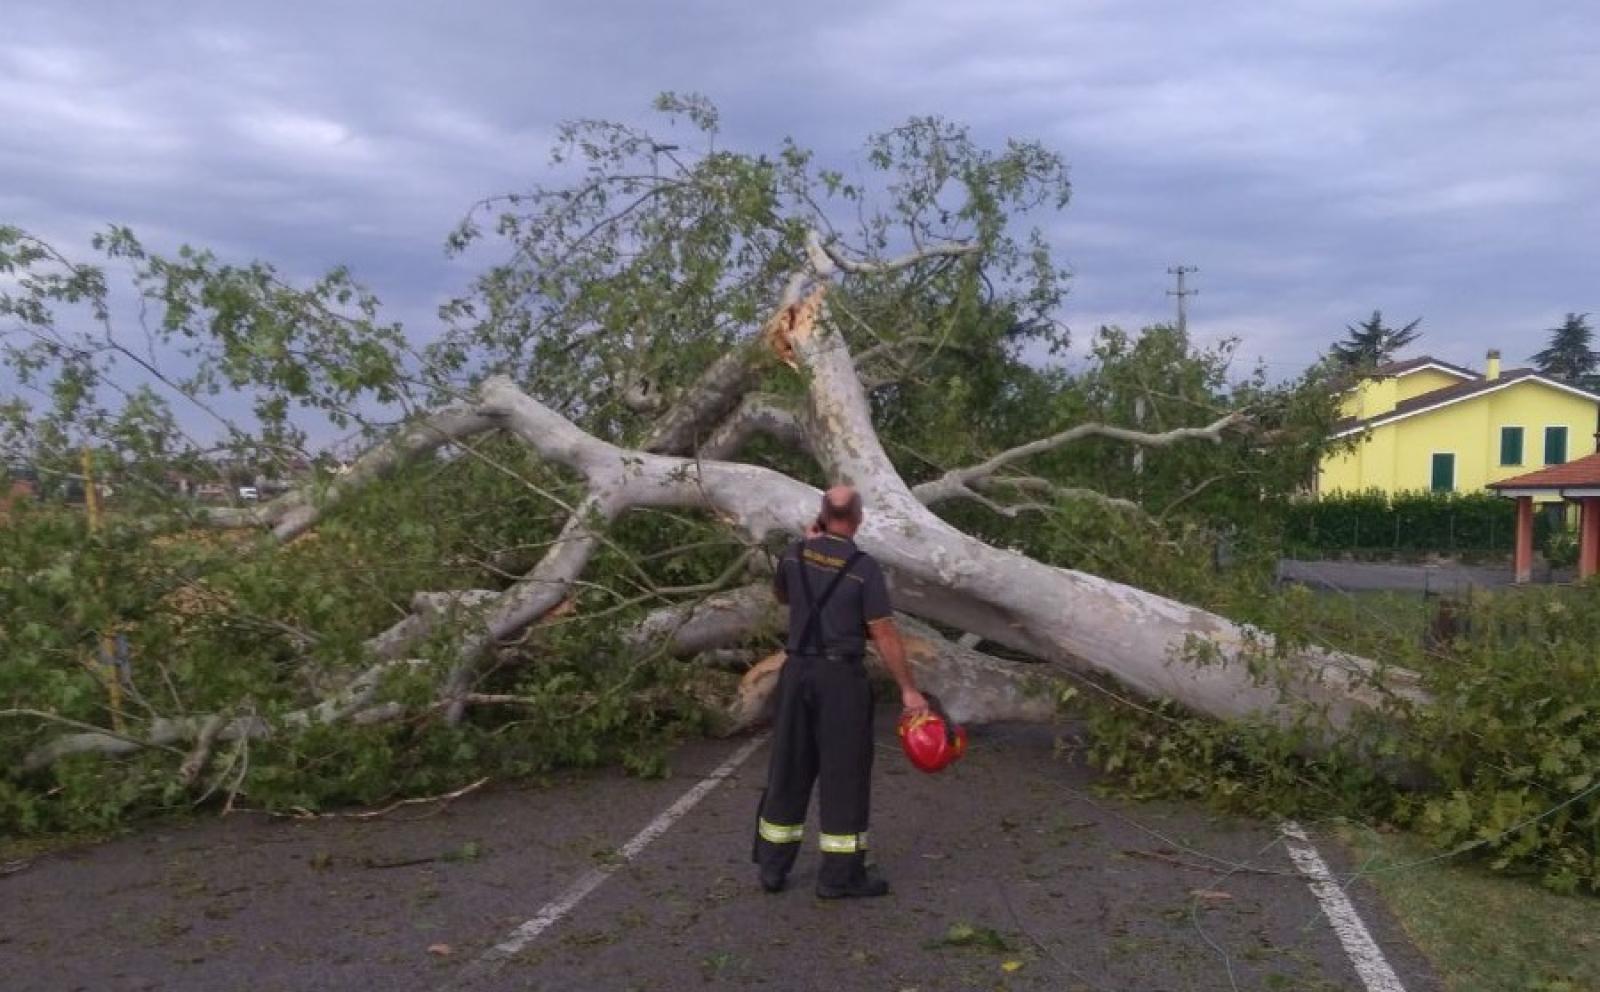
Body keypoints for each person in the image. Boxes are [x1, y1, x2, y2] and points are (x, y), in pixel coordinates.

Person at [753, 485, 928, 899]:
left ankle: (773, 868)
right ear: (859, 518)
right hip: (840, 680)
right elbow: (883, 633)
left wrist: (809, 546)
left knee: (788, 767)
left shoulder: (794, 554)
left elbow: (782, 594)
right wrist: (909, 690)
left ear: (822, 514)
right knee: (844, 774)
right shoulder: (864, 569)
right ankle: (839, 876)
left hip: (795, 674)